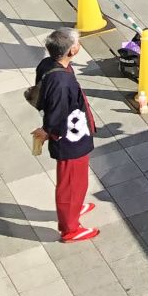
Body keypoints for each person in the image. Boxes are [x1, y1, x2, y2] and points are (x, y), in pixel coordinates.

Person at [34, 27, 97, 242]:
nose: (79, 45)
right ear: (71, 51)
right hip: (70, 138)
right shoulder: (61, 81)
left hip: (74, 131)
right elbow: (57, 112)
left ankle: (75, 207)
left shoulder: (47, 65)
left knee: (77, 181)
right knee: (71, 183)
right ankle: (70, 228)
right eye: (77, 43)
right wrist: (48, 131)